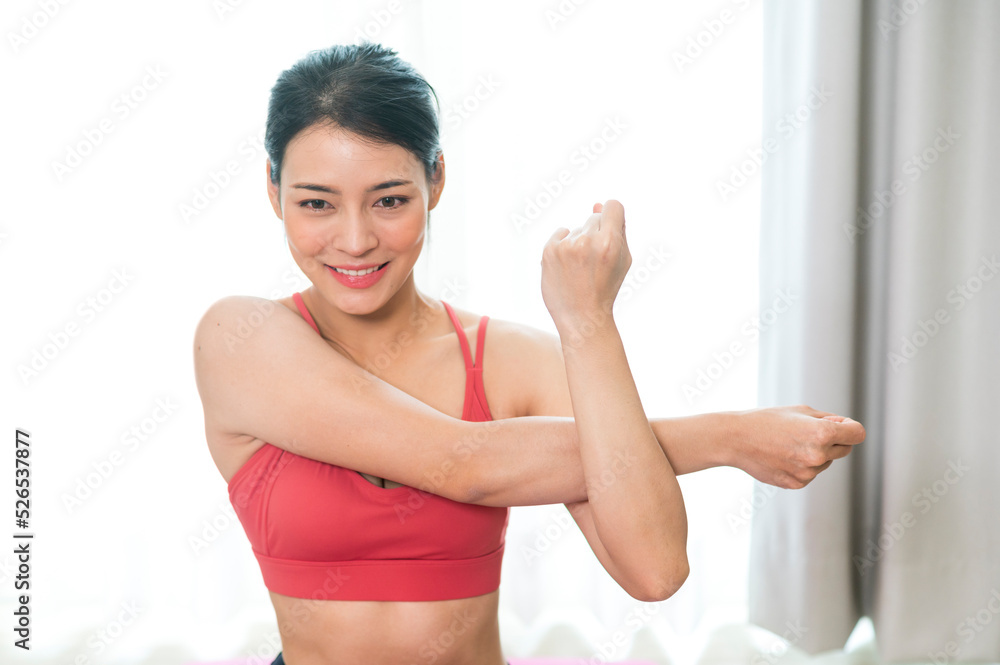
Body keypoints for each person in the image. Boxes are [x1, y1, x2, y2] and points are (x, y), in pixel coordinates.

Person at [192, 42, 865, 665]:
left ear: (437, 181)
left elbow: (654, 568)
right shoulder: (240, 340)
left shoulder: (511, 362)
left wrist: (587, 321)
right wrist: (728, 436)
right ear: (275, 193)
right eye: (317, 203)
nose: (355, 238)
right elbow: (466, 464)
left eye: (389, 199)